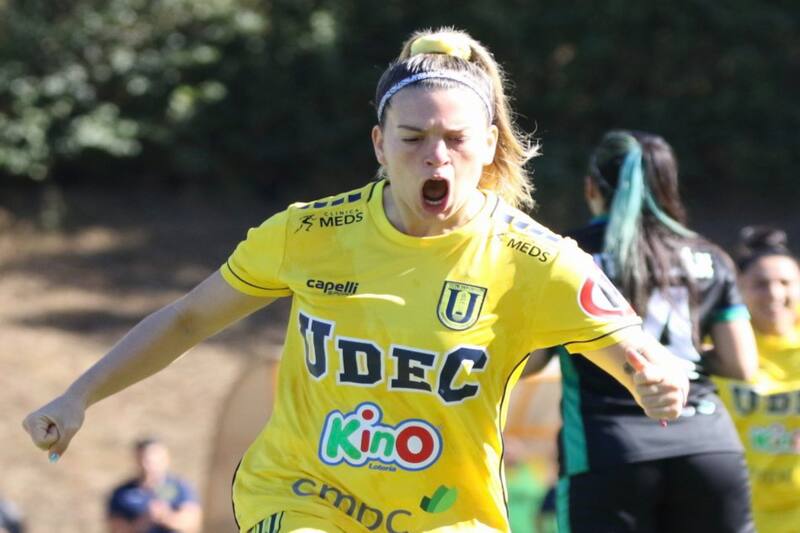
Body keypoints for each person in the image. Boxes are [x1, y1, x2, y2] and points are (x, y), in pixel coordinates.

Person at [22, 28, 689, 533]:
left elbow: (636, 352)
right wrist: (80, 394)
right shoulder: (309, 233)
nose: (436, 155)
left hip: (446, 515)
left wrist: (657, 380)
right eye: (413, 138)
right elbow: (190, 318)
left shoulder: (534, 258)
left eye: (456, 139)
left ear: (489, 144)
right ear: (378, 145)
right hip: (302, 496)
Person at [525, 130, 759, 533]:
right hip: (709, 445)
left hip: (609, 451)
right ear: (669, 187)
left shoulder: (569, 257)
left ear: (591, 188)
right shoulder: (711, 256)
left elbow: (530, 360)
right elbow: (743, 364)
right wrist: (678, 357)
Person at [716, 226, 800, 532]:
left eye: (786, 283)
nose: (775, 294)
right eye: (761, 284)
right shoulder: (721, 347)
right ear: (739, 288)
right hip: (741, 513)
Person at [107, 437, 202, 533]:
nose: (148, 465)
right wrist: (143, 521)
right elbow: (116, 528)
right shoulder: (123, 493)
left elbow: (192, 522)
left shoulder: (179, 488)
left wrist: (166, 517)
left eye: (153, 459)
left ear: (165, 459)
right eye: (144, 459)